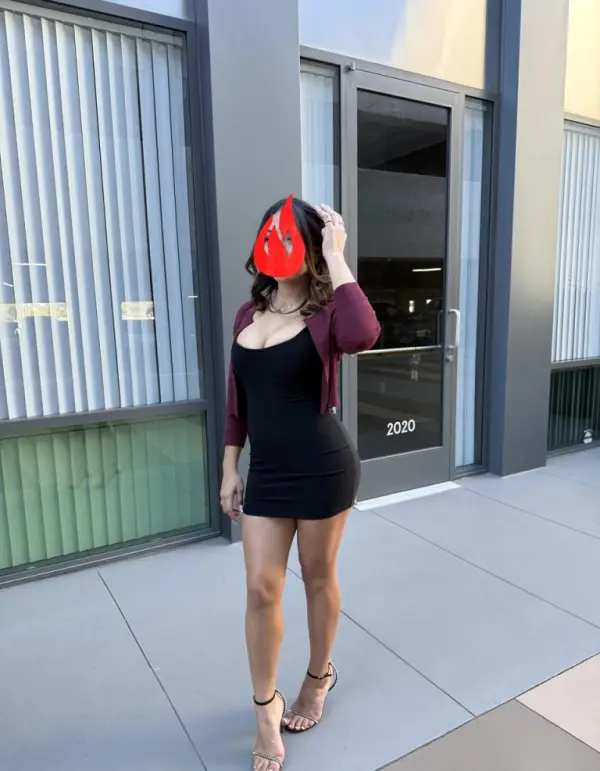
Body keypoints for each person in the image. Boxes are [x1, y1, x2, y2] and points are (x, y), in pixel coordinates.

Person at [220, 198, 380, 771]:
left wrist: (337, 256)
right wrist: (230, 467)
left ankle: (317, 678)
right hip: (267, 470)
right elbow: (238, 401)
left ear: (309, 247)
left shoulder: (328, 315)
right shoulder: (248, 314)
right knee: (261, 589)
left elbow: (364, 333)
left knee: (317, 577)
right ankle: (266, 707)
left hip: (322, 467)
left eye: (292, 237)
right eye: (272, 233)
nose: (278, 244)